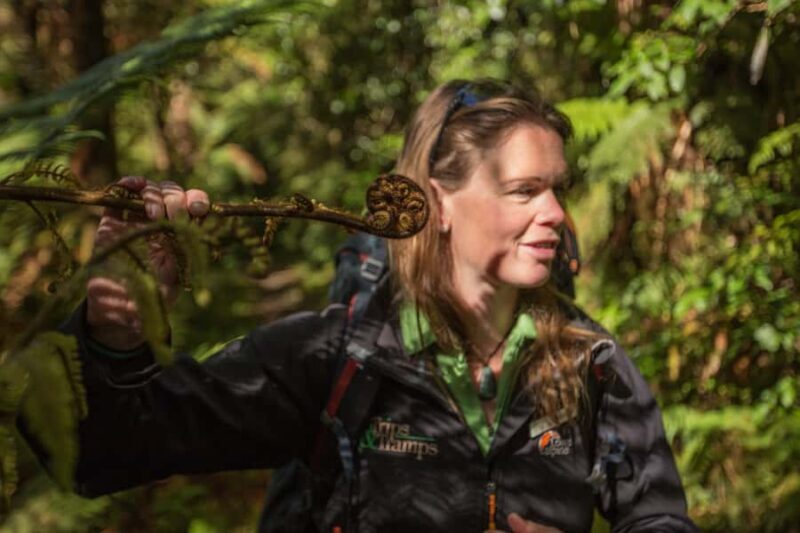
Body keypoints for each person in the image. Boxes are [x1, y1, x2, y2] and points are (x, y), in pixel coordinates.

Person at [29, 79, 697, 532]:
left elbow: (660, 515)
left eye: (557, 188)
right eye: (524, 191)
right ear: (437, 203)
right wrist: (118, 321)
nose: (556, 213)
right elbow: (102, 450)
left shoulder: (589, 361)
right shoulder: (338, 357)